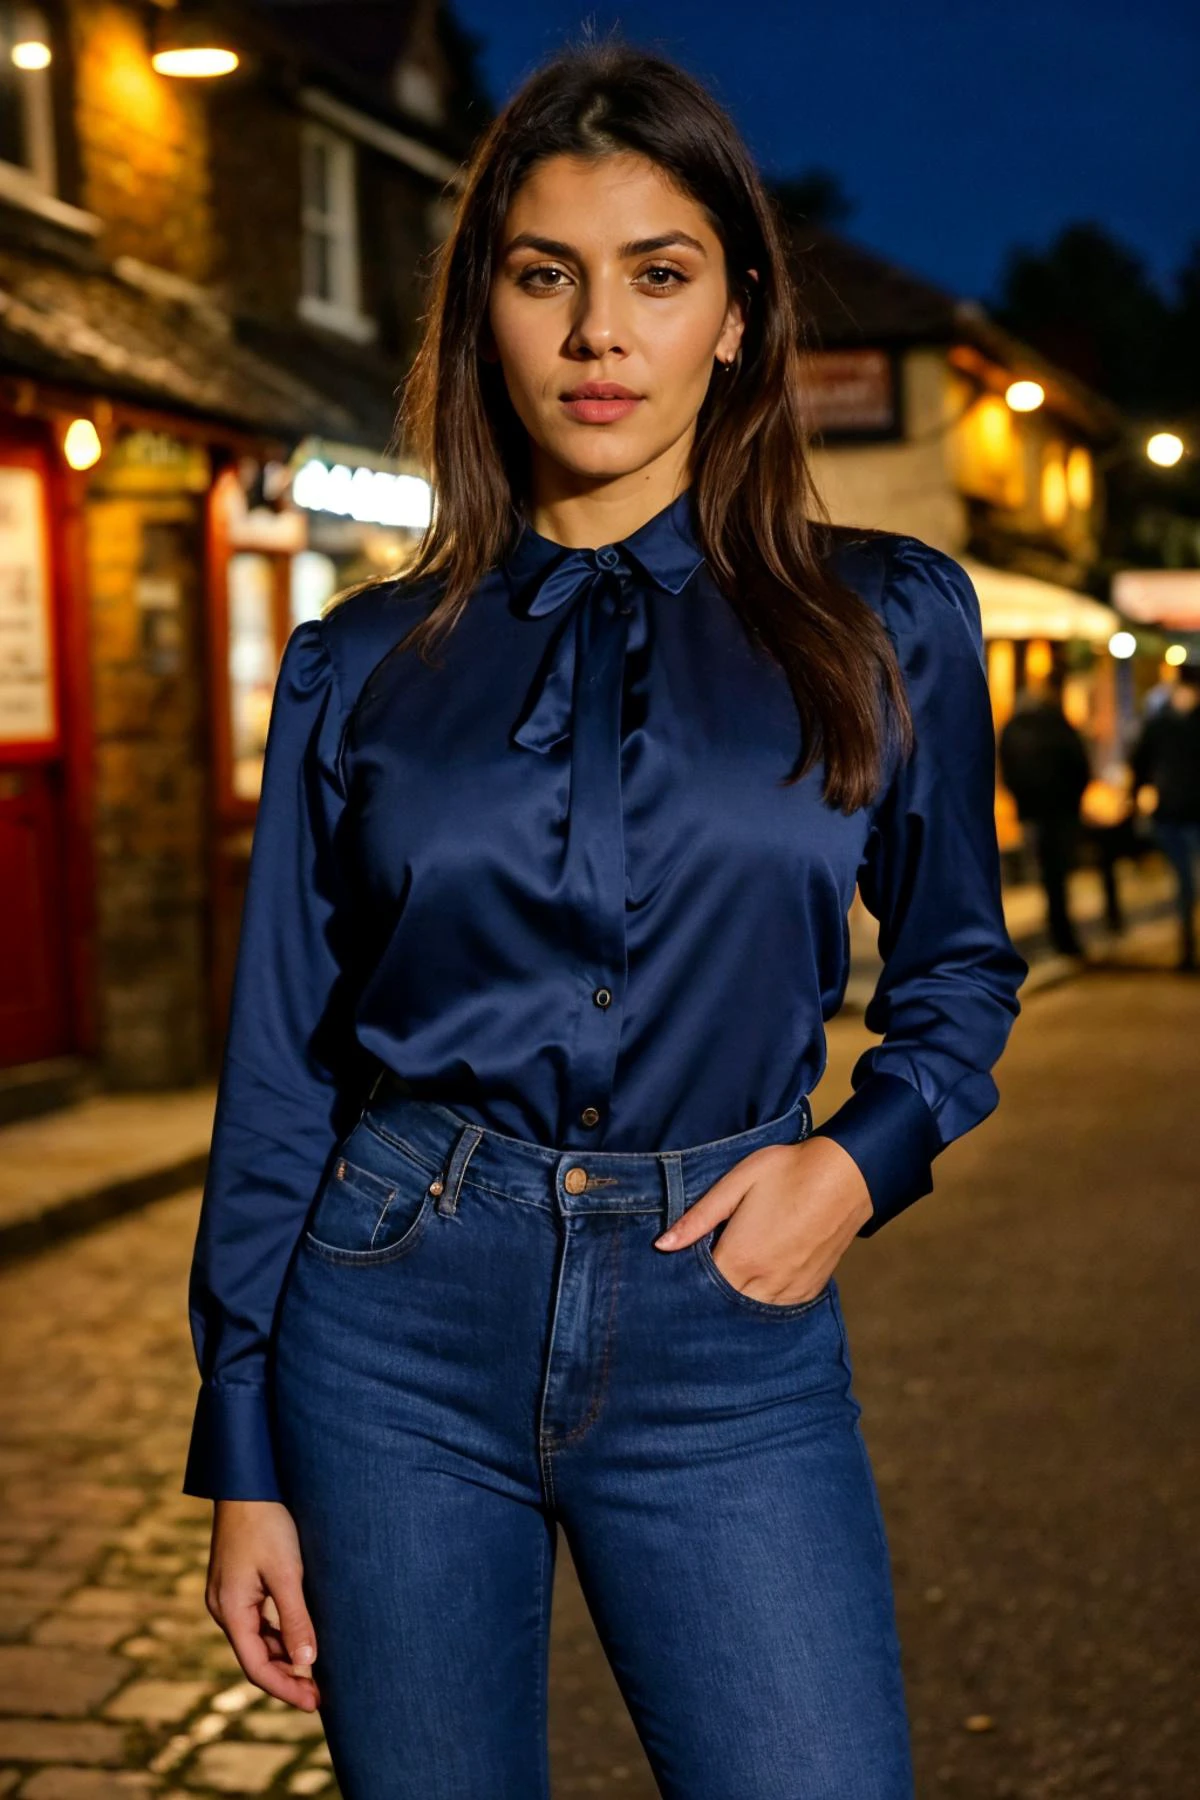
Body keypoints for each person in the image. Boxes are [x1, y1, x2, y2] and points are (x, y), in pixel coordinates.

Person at [182, 39, 1028, 1800]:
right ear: (482, 307)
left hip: (721, 1320)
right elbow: (282, 1069)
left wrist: (861, 1159)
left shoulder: (883, 620)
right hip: (392, 1326)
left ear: (734, 316)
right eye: (544, 275)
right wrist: (242, 1454)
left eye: (658, 277)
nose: (598, 336)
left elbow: (954, 969)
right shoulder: (359, 665)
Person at [998, 670, 1093, 958]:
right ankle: (1062, 934)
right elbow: (1080, 766)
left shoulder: (1014, 727)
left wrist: (1019, 800)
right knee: (1057, 875)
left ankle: (1058, 930)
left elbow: (1005, 768)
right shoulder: (1058, 725)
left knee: (1045, 871)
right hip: (1060, 812)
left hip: (1030, 811)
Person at [1130, 663, 1200, 970]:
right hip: (1172, 813)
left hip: (1184, 811)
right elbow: (1140, 762)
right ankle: (1188, 949)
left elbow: (1139, 763)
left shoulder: (1162, 723)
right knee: (1184, 883)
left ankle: (1189, 948)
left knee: (1188, 882)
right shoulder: (1160, 725)